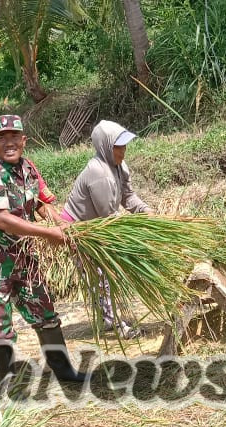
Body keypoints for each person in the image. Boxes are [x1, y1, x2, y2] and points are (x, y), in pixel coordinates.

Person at [0, 114, 87, 395]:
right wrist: (49, 234)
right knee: (0, 324)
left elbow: (41, 203)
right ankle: (4, 382)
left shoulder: (28, 168)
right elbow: (2, 220)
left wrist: (62, 226)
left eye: (14, 137)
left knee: (45, 311)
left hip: (23, 254)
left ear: (24, 140)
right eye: (1, 138)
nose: (9, 143)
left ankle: (64, 372)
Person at [60, 120, 152, 340]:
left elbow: (128, 196)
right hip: (80, 231)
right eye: (118, 146)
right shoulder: (99, 174)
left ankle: (110, 319)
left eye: (124, 145)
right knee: (103, 279)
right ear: (105, 146)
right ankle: (117, 325)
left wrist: (145, 211)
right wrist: (135, 233)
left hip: (97, 227)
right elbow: (108, 217)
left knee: (105, 279)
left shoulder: (119, 166)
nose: (123, 150)